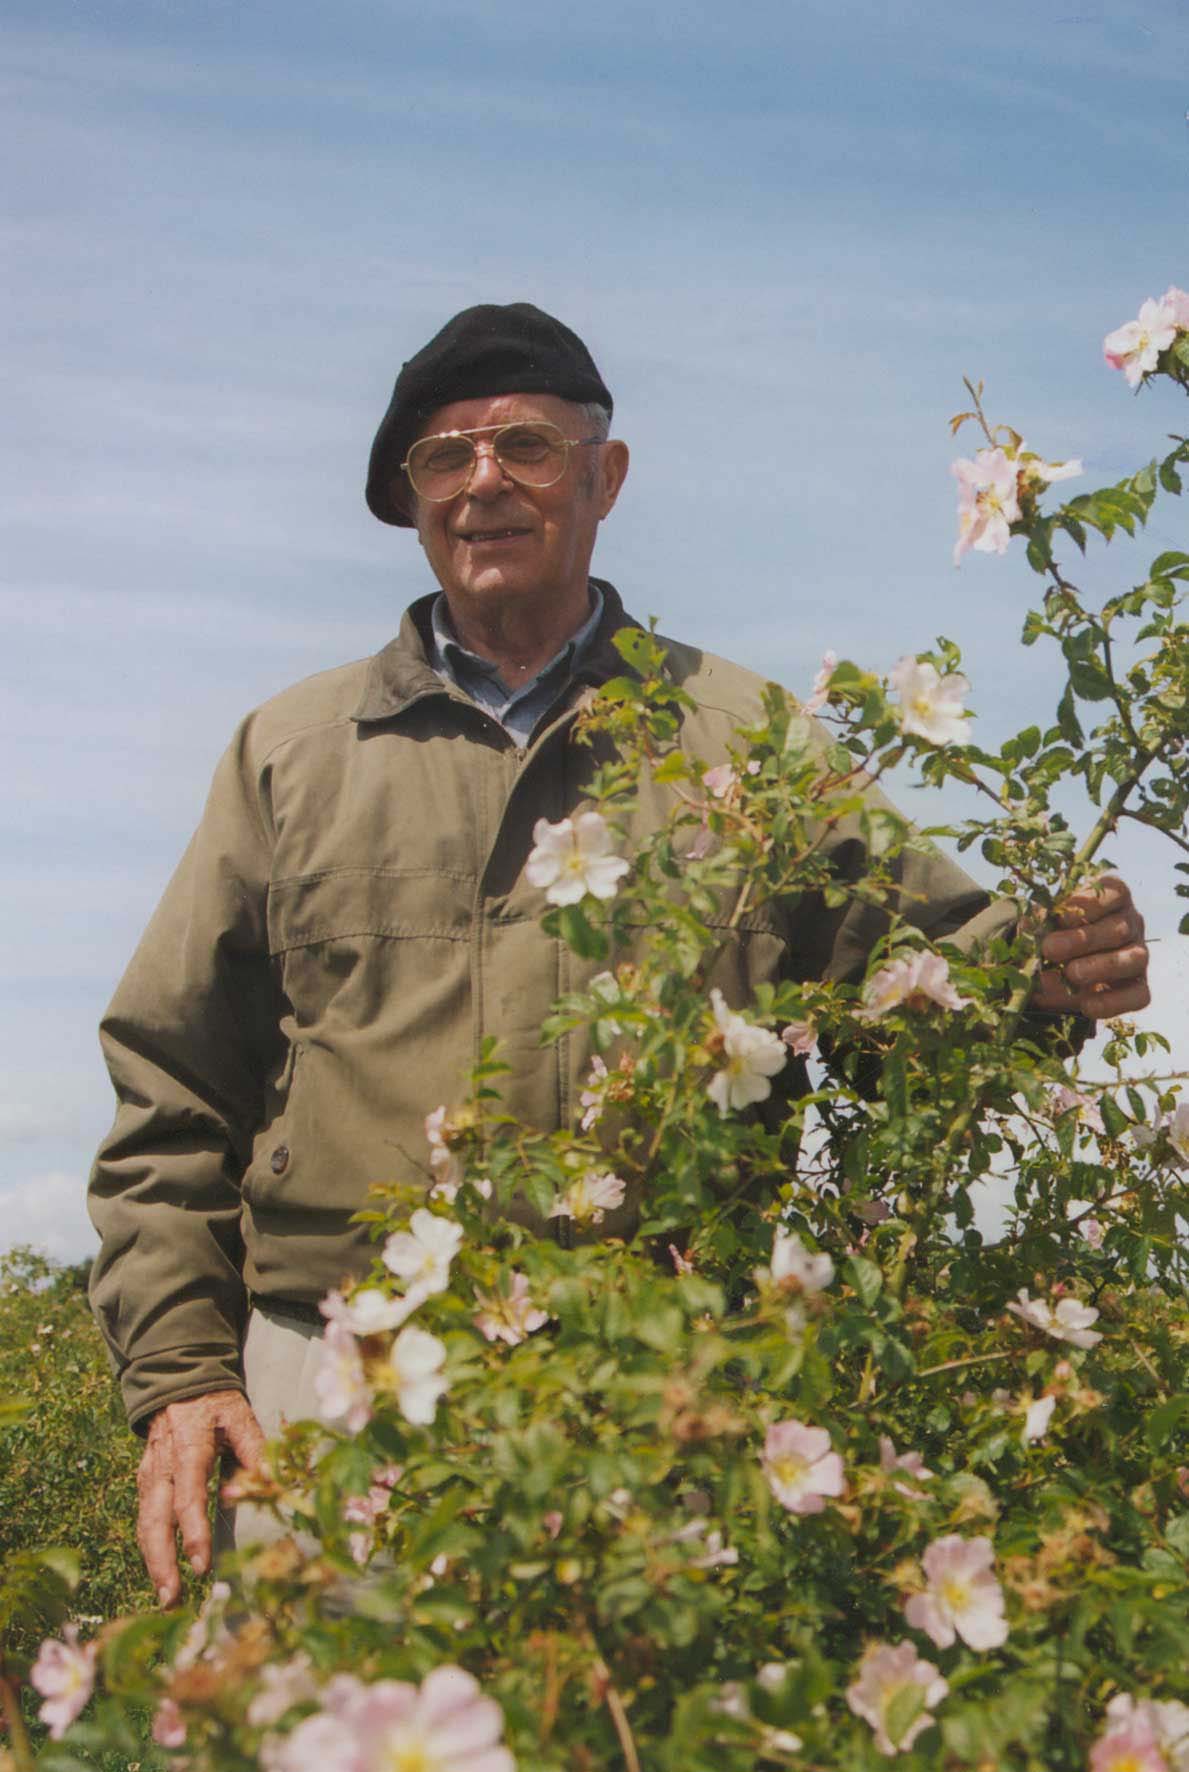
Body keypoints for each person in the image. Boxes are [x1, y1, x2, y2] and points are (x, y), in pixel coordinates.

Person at [87, 302, 1150, 1608]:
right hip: (331, 1387)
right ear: (412, 502)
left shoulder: (749, 742)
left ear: (606, 477)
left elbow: (917, 996)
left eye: (526, 446)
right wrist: (183, 1378)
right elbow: (171, 1089)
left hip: (663, 1394)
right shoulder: (291, 755)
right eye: (444, 457)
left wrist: (1044, 981)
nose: (483, 482)